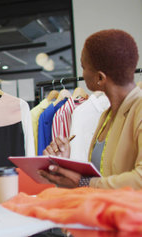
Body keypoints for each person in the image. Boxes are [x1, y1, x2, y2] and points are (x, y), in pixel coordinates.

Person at [39, 29, 141, 189]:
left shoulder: (139, 109)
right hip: (106, 211)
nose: (83, 74)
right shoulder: (107, 115)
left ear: (100, 77)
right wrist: (64, 164)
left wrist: (82, 181)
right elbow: (103, 177)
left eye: (83, 67)